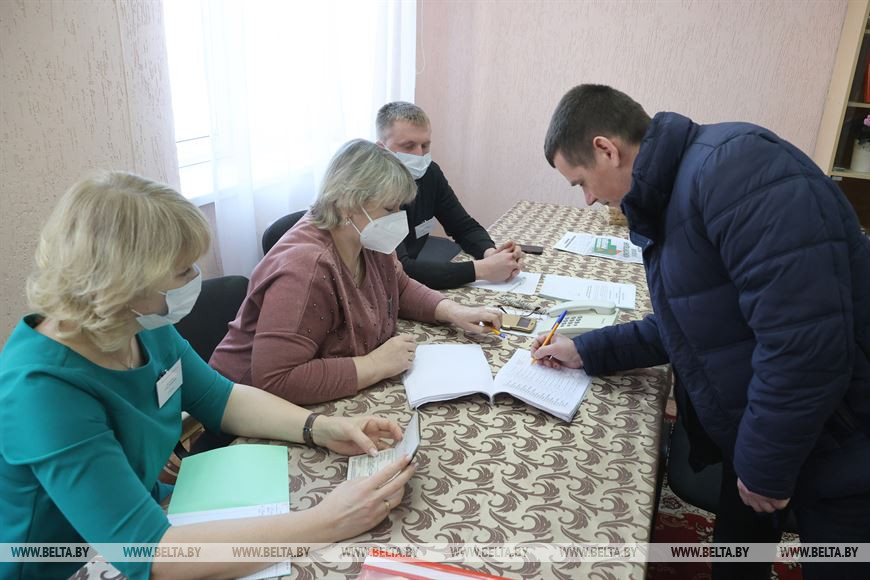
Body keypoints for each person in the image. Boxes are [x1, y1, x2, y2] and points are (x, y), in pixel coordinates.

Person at [0, 172, 415, 580]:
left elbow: (222, 398)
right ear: (123, 283)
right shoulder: (42, 391)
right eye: (183, 270)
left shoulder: (138, 323)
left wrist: (321, 428)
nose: (195, 278)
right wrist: (328, 521)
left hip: (147, 514)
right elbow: (151, 555)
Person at [533, 84, 870, 579]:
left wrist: (764, 464)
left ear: (606, 149)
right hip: (762, 418)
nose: (587, 199)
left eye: (581, 182)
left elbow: (804, 348)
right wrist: (587, 350)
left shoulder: (738, 172)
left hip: (836, 435)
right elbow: (691, 323)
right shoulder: (675, 192)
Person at [210, 139, 502, 405]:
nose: (398, 219)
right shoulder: (305, 269)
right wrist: (374, 365)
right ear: (347, 204)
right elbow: (276, 380)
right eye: (390, 208)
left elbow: (398, 286)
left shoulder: (365, 237)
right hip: (246, 408)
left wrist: (454, 311)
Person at [375, 101, 523, 290]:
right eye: (409, 146)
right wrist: (482, 270)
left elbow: (463, 226)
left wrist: (490, 253)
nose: (419, 155)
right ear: (381, 148)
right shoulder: (373, 190)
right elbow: (402, 269)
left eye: (425, 146)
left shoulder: (430, 174)